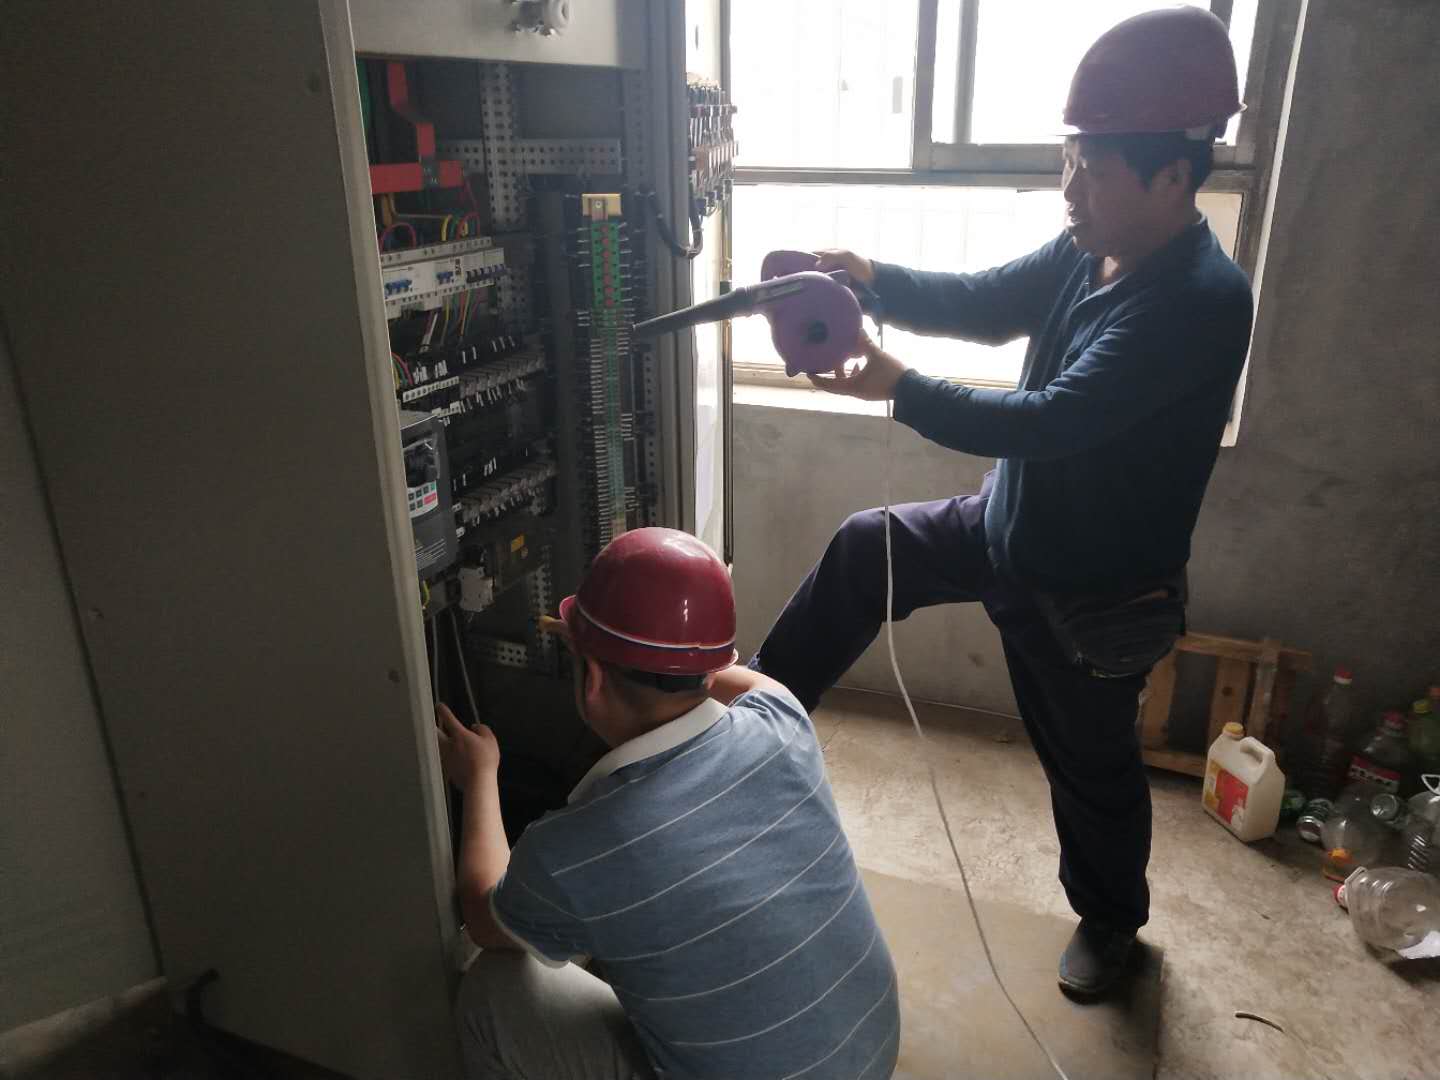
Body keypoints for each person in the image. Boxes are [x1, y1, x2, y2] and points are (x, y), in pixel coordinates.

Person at [750, 7, 1253, 998]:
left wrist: (895, 384)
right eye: (1069, 160)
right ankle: (750, 728)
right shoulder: (1086, 246)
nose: (1070, 187)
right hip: (1006, 526)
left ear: (1171, 176)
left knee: (1090, 771)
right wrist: (871, 279)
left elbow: (1051, 421)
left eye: (1091, 169)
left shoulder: (1199, 299)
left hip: (1094, 592)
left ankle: (1111, 924)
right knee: (864, 550)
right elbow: (983, 301)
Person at [438, 527, 900, 1080]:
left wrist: (480, 774)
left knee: (490, 992)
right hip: (869, 1055)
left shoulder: (581, 846)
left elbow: (483, 915)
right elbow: (730, 679)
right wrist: (627, 648)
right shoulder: (783, 720)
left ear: (592, 680)